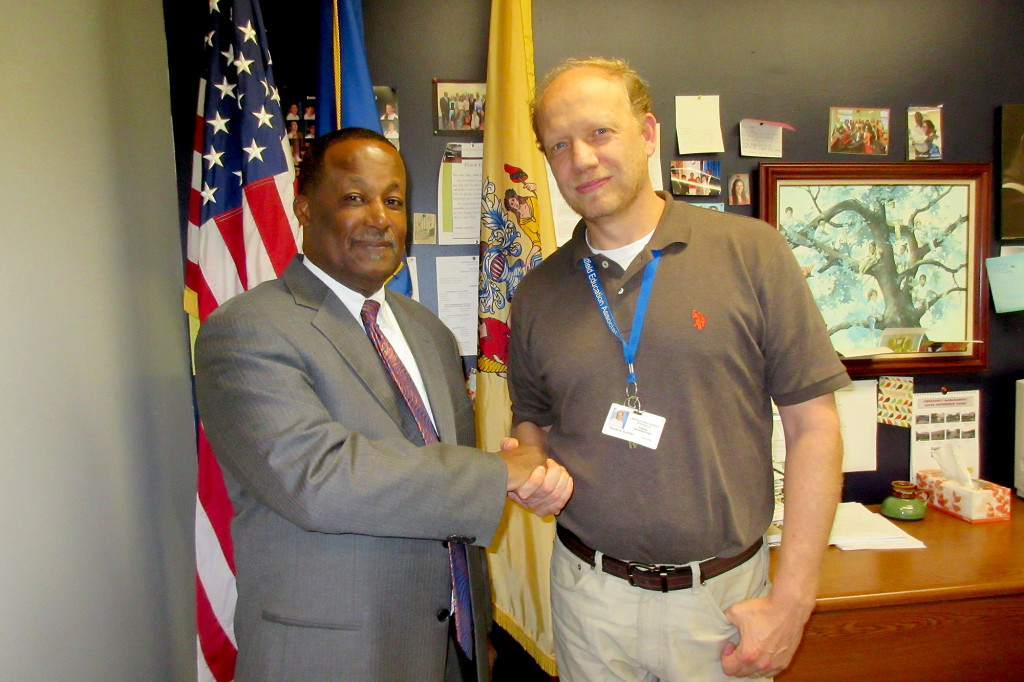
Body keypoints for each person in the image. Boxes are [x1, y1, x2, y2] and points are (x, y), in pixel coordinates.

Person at [507, 58, 850, 681]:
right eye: (559, 144)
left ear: (646, 133)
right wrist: (531, 468)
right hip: (589, 599)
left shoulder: (752, 253)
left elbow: (814, 429)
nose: (580, 158)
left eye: (600, 132)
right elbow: (530, 424)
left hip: (722, 604)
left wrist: (793, 601)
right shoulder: (535, 293)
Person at [195, 128, 573, 682]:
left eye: (393, 200)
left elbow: (444, 492)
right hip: (332, 659)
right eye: (354, 198)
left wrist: (476, 628)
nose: (380, 217)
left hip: (450, 649)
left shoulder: (430, 334)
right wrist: (497, 475)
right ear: (303, 206)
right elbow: (318, 478)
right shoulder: (246, 330)